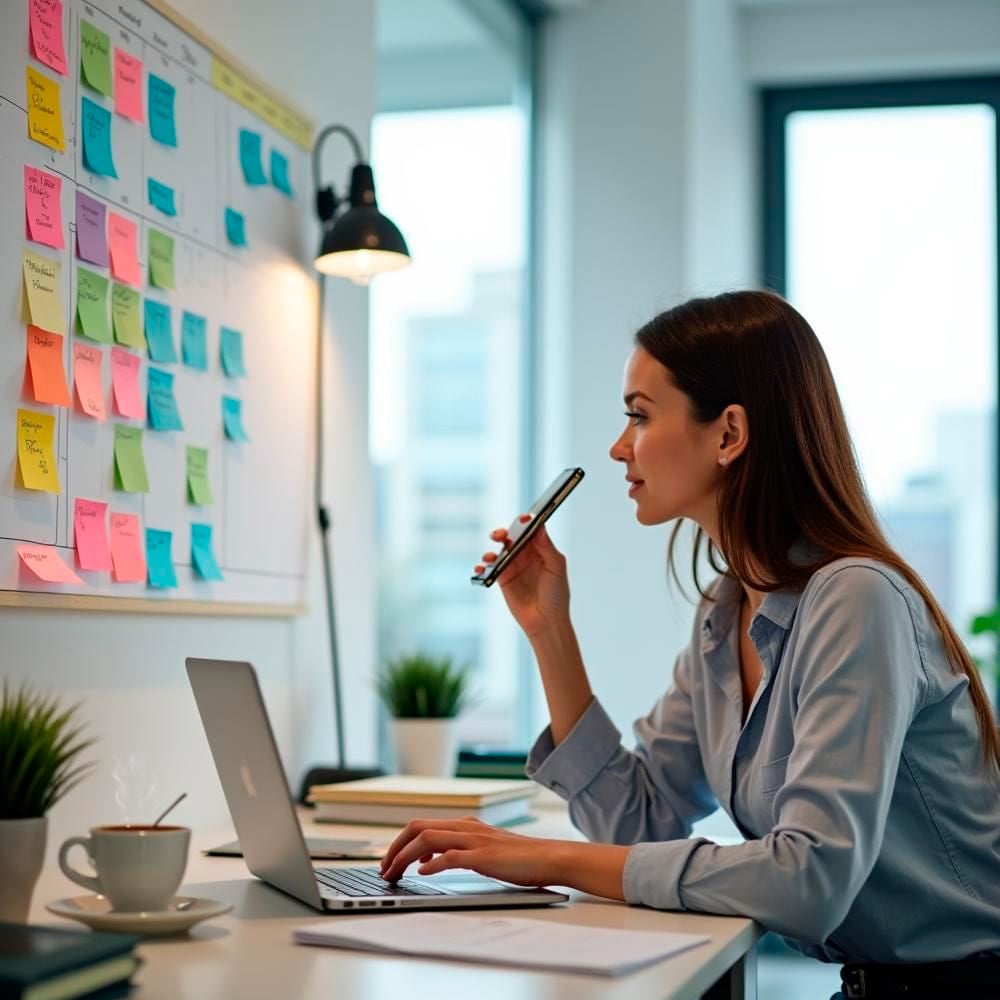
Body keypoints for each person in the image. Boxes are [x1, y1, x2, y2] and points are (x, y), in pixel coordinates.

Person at [379, 290, 1000, 998]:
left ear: (729, 435)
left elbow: (809, 880)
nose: (619, 447)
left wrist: (543, 857)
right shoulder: (726, 608)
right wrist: (551, 631)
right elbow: (640, 818)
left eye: (639, 416)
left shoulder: (856, 599)